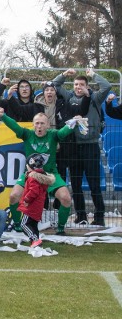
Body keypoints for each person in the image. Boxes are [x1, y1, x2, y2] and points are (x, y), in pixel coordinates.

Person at [0, 108, 75, 235]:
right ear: (33, 125)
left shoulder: (53, 135)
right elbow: (15, 126)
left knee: (66, 198)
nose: (39, 126)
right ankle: (17, 225)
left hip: (50, 175)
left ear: (47, 125)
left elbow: (63, 132)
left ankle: (60, 228)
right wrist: (3, 116)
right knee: (13, 196)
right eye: (37, 123)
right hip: (30, 174)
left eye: (42, 123)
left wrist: (73, 123)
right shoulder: (27, 134)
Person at [53, 68, 111, 226]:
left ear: (87, 85)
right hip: (73, 147)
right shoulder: (69, 96)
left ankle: (99, 217)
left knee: (94, 184)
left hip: (90, 146)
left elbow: (106, 86)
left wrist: (93, 75)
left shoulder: (95, 98)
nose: (78, 87)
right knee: (76, 184)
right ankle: (81, 215)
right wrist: (64, 74)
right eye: (76, 84)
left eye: (82, 84)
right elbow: (55, 85)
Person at [18, 153, 55, 248]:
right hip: (37, 207)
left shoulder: (32, 178)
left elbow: (34, 191)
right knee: (33, 225)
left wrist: (26, 199)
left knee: (24, 224)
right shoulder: (40, 177)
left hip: (30, 207)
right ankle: (36, 243)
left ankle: (35, 239)